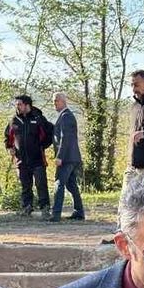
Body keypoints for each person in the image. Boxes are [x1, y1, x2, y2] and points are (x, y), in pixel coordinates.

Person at [4, 95, 54, 218]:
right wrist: (10, 147)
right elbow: (8, 137)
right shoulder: (14, 121)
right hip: (22, 160)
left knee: (41, 185)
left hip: (37, 160)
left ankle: (45, 209)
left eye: (20, 104)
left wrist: (41, 147)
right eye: (16, 104)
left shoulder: (39, 118)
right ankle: (26, 208)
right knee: (26, 186)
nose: (17, 107)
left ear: (27, 105)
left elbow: (50, 133)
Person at [50, 92, 85, 222]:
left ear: (62, 101)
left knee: (59, 183)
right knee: (71, 185)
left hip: (67, 158)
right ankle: (79, 212)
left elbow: (66, 138)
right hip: (71, 157)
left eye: (55, 101)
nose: (54, 104)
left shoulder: (66, 116)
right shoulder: (65, 116)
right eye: (54, 101)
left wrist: (59, 156)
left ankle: (56, 214)